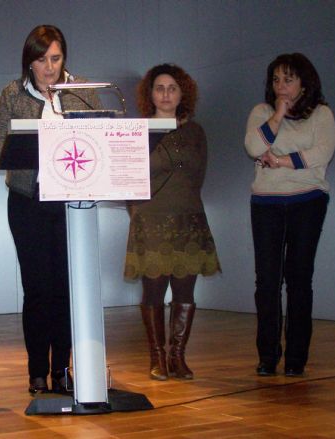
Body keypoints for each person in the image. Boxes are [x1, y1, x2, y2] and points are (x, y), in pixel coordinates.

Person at [0, 25, 102, 394]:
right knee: (37, 289)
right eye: (41, 60)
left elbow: (100, 139)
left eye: (55, 58)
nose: (49, 67)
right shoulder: (12, 93)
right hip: (27, 202)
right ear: (29, 62)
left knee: (66, 289)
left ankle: (62, 370)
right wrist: (26, 149)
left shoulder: (82, 92)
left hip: (71, 203)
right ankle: (37, 371)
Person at [124, 64, 220, 381]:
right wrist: (138, 215)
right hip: (150, 220)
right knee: (152, 293)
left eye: (172, 88)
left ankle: (178, 357)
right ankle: (157, 357)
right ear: (149, 94)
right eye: (159, 88)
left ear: (183, 94)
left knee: (185, 293)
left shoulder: (197, 131)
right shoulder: (136, 131)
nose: (165, 94)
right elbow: (129, 178)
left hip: (188, 219)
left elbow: (198, 176)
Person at [245, 53, 335, 377]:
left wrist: (281, 160)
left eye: (289, 79)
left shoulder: (322, 114)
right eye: (276, 80)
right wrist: (278, 115)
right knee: (267, 281)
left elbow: (322, 152)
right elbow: (254, 147)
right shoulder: (262, 112)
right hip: (267, 203)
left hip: (307, 201)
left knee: (299, 279)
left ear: (304, 83)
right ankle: (268, 356)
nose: (281, 86)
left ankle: (296, 357)